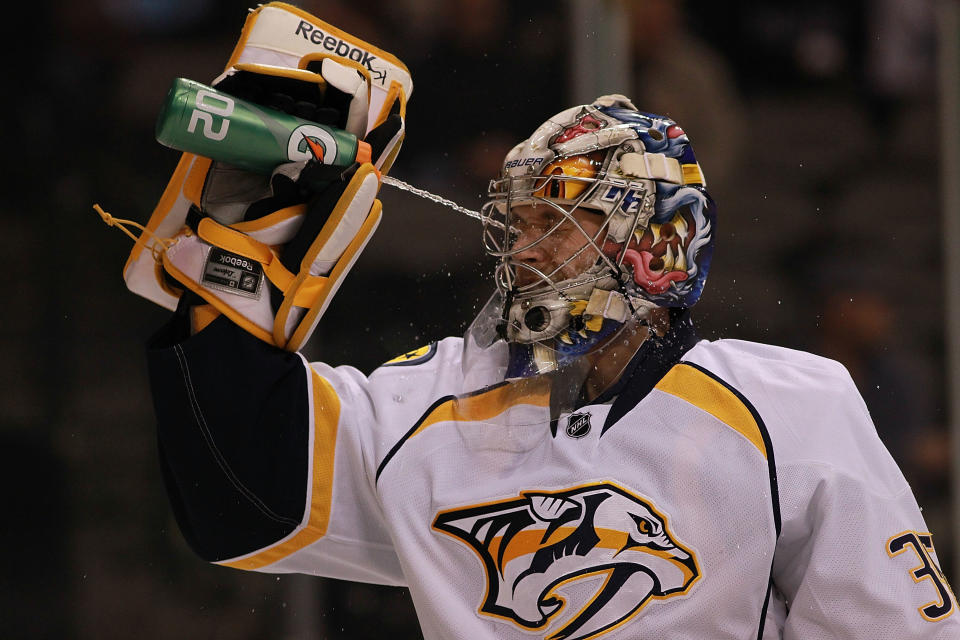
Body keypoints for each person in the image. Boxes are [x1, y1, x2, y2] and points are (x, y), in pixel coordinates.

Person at [137, 17, 957, 637]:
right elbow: (240, 499)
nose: (524, 249)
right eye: (518, 222)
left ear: (656, 242)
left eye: (559, 221)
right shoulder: (444, 397)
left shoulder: (790, 405)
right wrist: (241, 258)